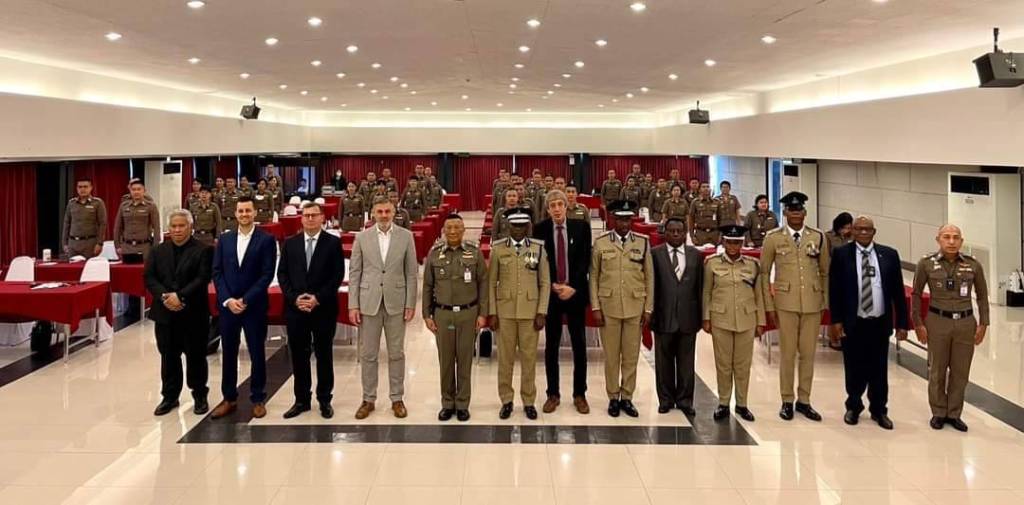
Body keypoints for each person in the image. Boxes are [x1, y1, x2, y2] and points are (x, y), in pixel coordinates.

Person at [829, 216, 909, 430]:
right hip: (853, 321)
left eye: (868, 229)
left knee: (879, 369)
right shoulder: (841, 254)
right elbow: (834, 289)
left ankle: (879, 409)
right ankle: (854, 406)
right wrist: (835, 320)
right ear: (852, 231)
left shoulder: (889, 255)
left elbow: (898, 292)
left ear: (874, 232)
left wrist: (902, 323)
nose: (863, 232)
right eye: (859, 229)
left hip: (879, 322)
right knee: (853, 367)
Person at [912, 224, 989, 432]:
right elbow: (916, 294)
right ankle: (938, 412)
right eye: (946, 237)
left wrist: (984, 323)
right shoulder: (926, 263)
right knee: (937, 369)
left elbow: (982, 296)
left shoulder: (973, 265)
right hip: (937, 321)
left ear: (961, 241)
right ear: (938, 239)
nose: (951, 241)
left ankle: (954, 413)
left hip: (965, 322)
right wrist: (918, 323)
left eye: (956, 237)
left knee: (960, 371)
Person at [760, 191, 830, 421]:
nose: (796, 214)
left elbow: (825, 272)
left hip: (812, 303)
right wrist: (769, 305)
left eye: (799, 210)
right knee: (788, 354)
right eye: (791, 210)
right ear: (785, 213)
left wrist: (824, 302)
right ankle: (787, 400)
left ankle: (804, 400)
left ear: (805, 212)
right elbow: (764, 272)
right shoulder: (773, 238)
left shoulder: (817, 237)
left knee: (808, 355)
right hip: (785, 303)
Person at [349, 197, 419, 420]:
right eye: (379, 211)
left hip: (396, 302)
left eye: (387, 211)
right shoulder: (362, 237)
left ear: (394, 212)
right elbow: (355, 272)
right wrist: (353, 304)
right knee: (368, 354)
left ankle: (397, 398)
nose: (384, 215)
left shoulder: (406, 236)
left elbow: (411, 273)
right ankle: (368, 399)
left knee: (396, 353)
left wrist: (410, 303)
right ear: (373, 213)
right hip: (368, 302)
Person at [210, 197, 277, 419]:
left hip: (254, 306)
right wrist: (228, 299)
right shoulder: (225, 239)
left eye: (248, 210)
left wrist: (246, 299)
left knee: (257, 352)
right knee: (228, 353)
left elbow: (267, 274)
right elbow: (217, 272)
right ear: (235, 214)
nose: (244, 214)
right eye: (241, 211)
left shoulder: (266, 240)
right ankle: (229, 398)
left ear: (255, 213)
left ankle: (258, 398)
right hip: (228, 308)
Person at [278, 202, 344, 419]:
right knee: (299, 356)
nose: (310, 219)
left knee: (324, 355)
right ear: (301, 218)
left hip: (323, 308)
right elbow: (282, 275)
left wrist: (317, 298)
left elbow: (337, 275)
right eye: (306, 215)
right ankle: (301, 400)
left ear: (322, 217)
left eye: (314, 215)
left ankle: (324, 399)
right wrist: (294, 298)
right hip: (296, 309)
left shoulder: (332, 243)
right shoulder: (290, 244)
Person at [144, 209, 213, 417]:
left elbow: (202, 278)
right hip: (165, 313)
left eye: (181, 226)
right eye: (173, 226)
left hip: (193, 313)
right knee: (168, 357)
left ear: (190, 227)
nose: (177, 230)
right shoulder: (157, 251)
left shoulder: (204, 250)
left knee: (196, 357)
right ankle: (170, 396)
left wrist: (180, 296)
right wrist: (165, 297)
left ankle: (199, 395)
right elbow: (149, 278)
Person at [590, 200, 654, 418]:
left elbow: (649, 278)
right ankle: (613, 397)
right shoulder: (601, 243)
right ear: (612, 220)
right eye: (620, 219)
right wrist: (596, 307)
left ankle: (627, 396)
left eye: (627, 219)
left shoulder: (642, 243)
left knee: (631, 355)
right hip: (608, 307)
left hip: (635, 306)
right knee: (611, 357)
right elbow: (594, 277)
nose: (624, 224)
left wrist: (648, 308)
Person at [423, 214, 488, 421]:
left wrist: (483, 314)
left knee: (465, 360)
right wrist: (426, 314)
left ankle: (462, 404)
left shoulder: (474, 252)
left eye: (457, 227)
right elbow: (427, 286)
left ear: (463, 230)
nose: (452, 231)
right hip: (442, 314)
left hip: (469, 314)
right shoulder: (435, 254)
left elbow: (483, 284)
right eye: (449, 228)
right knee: (446, 362)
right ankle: (447, 403)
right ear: (443, 230)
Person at [534, 190, 593, 414]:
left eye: (560, 204)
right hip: (551, 295)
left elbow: (584, 260)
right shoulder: (540, 229)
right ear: (548, 209)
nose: (557, 209)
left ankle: (580, 394)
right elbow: (538, 261)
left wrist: (573, 287)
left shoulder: (581, 227)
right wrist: (550, 285)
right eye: (553, 205)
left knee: (579, 345)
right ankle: (553, 394)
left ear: (566, 206)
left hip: (575, 293)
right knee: (551, 346)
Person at [490, 208, 550, 420]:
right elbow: (491, 283)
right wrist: (492, 312)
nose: (517, 229)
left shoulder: (538, 248)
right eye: (514, 225)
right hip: (505, 312)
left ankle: (528, 400)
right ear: (508, 226)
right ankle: (506, 400)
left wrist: (542, 311)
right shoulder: (498, 249)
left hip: (530, 312)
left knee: (529, 360)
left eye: (522, 226)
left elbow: (545, 282)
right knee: (505, 360)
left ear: (527, 227)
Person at [703, 224, 765, 422]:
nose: (732, 247)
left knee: (743, 365)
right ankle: (723, 402)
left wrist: (761, 321)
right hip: (721, 319)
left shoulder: (753, 265)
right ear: (723, 242)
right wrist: (706, 318)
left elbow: (759, 295)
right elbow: (707, 292)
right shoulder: (711, 263)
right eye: (729, 242)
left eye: (736, 243)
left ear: (742, 243)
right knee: (723, 364)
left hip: (747, 319)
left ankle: (742, 404)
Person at [650, 217, 704, 415]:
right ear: (664, 233)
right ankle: (665, 399)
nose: (675, 234)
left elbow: (700, 287)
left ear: (685, 234)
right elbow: (651, 285)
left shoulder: (696, 255)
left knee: (686, 362)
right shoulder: (654, 254)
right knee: (663, 362)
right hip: (662, 316)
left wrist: (701, 316)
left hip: (688, 317)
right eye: (671, 231)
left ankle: (685, 400)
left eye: (679, 231)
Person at [114, 178, 160, 261]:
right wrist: (117, 246)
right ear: (130, 191)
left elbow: (156, 228)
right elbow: (117, 227)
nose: (136, 192)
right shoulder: (124, 206)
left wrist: (155, 248)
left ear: (144, 191)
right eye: (133, 189)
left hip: (145, 247)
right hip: (127, 248)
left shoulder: (151, 206)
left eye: (139, 189)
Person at [63, 177, 107, 258]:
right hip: (73, 244)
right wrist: (64, 243)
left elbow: (102, 224)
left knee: (90, 266)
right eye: (80, 187)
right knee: (72, 266)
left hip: (90, 244)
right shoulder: (71, 203)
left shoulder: (97, 203)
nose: (82, 189)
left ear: (91, 188)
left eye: (85, 187)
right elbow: (66, 224)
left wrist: (99, 243)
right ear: (77, 188)